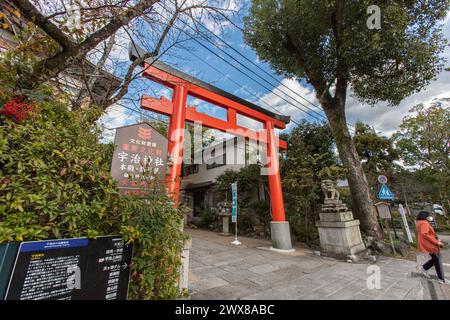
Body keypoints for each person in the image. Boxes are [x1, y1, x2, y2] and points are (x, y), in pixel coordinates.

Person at [416, 211, 448, 284]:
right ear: (425, 216)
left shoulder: (419, 222)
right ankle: (441, 279)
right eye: (429, 215)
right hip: (430, 244)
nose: (431, 217)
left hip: (427, 243)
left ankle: (424, 268)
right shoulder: (424, 223)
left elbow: (429, 233)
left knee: (435, 259)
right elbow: (425, 234)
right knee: (437, 260)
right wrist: (437, 242)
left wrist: (437, 238)